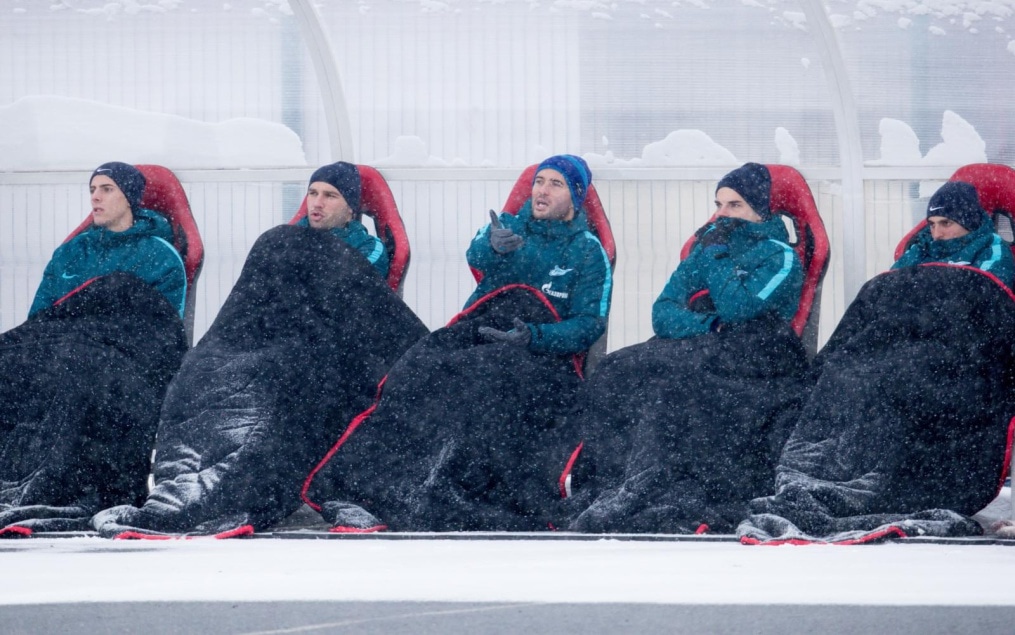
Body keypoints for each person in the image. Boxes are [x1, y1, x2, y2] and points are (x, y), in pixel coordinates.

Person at [301, 154, 614, 532]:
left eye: (555, 184)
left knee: (481, 382)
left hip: (541, 356)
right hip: (478, 335)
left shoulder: (587, 251)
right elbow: (475, 254)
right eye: (539, 181)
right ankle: (367, 488)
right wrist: (493, 247)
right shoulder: (509, 228)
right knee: (419, 370)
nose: (541, 190)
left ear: (575, 198)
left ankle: (434, 488)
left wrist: (535, 337)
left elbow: (590, 323)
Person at [563, 162, 808, 534]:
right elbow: (662, 313)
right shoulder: (705, 248)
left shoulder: (779, 256)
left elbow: (742, 311)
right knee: (615, 368)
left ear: (761, 211)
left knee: (673, 386)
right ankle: (614, 481)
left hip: (759, 356)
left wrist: (718, 258)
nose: (722, 214)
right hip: (705, 344)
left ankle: (660, 484)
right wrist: (709, 325)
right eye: (719, 204)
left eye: (735, 206)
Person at [28, 162, 186, 318]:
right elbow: (36, 319)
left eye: (107, 189)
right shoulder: (70, 251)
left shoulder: (160, 255)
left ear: (129, 198)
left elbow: (164, 329)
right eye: (92, 190)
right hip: (57, 341)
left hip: (115, 342)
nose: (95, 197)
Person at [891, 180, 1014, 286]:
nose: (936, 234)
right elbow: (887, 288)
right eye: (932, 225)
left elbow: (985, 296)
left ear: (969, 223)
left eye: (945, 223)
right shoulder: (920, 248)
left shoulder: (992, 251)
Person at [294, 161, 389, 279]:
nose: (317, 203)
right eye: (313, 193)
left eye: (330, 195)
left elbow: (340, 286)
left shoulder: (370, 247)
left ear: (350, 207)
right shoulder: (283, 238)